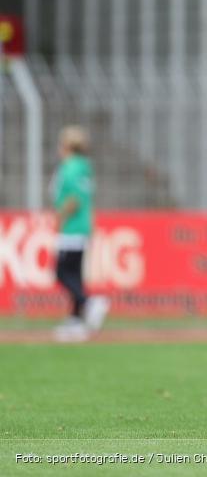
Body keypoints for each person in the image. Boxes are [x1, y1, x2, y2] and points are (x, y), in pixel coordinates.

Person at [52, 126, 109, 342]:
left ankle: (89, 303)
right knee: (75, 274)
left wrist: (59, 217)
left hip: (72, 228)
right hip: (84, 226)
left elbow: (73, 199)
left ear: (67, 146)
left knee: (61, 272)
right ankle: (75, 320)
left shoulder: (70, 168)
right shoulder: (85, 167)